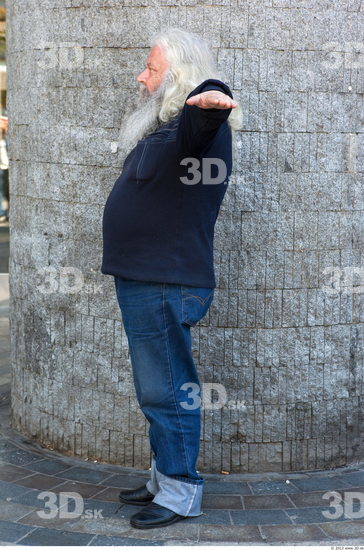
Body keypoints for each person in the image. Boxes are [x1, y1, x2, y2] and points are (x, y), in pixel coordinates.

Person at [101, 28, 242, 530]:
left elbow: (205, 118)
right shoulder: (164, 131)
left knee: (168, 389)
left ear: (179, 77)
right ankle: (164, 478)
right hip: (144, 279)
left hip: (166, 282)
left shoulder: (194, 126)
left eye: (152, 69)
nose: (142, 78)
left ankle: (181, 493)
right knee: (154, 388)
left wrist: (210, 95)